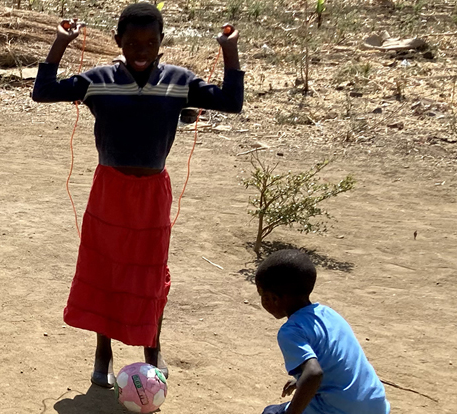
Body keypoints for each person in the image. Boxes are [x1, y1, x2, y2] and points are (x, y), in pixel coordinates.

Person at [31, 3, 244, 388]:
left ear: (162, 42)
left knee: (149, 276)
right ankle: (103, 352)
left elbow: (232, 101)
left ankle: (152, 347)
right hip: (110, 191)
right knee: (105, 270)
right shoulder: (100, 79)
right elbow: (42, 92)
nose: (141, 49)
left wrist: (229, 49)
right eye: (132, 42)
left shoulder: (179, 82)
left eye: (150, 41)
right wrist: (60, 43)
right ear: (118, 42)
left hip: (152, 194)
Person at [255, 249, 390, 414]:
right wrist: (300, 380)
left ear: (273, 298)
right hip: (376, 406)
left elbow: (313, 373)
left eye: (262, 295)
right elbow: (335, 360)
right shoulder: (329, 314)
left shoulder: (291, 331)